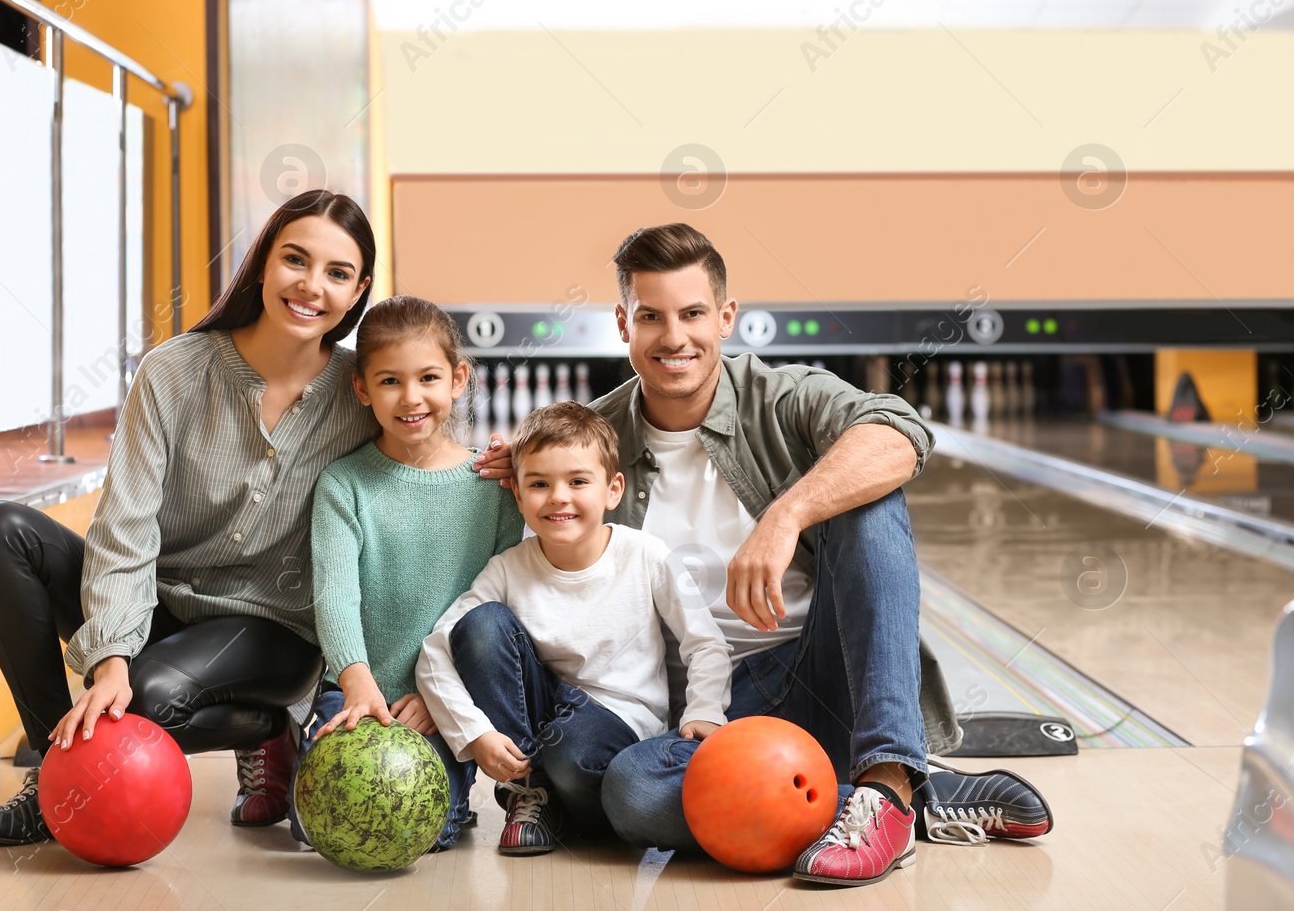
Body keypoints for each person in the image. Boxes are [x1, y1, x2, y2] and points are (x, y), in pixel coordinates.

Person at [473, 224, 1052, 886]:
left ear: (725, 316)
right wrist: (520, 475)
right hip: (690, 714)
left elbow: (901, 431)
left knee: (867, 495)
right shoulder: (590, 439)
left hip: (816, 681)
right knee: (633, 793)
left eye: (692, 313)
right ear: (622, 324)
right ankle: (886, 802)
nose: (674, 337)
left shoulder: (784, 398)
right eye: (651, 317)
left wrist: (788, 513)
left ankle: (887, 777)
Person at [0, 190, 380, 845]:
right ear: (263, 263)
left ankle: (271, 726)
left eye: (336, 272)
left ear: (358, 291)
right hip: (163, 605)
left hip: (273, 627)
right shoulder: (174, 372)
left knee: (149, 700)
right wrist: (111, 658)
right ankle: (53, 776)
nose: (310, 285)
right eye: (294, 259)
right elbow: (124, 527)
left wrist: (504, 463)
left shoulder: (361, 393)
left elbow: (427, 444)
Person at [417, 401, 732, 856]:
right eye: (539, 484)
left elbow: (704, 642)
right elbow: (436, 649)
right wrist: (473, 733)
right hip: (546, 721)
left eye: (578, 481)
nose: (558, 497)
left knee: (571, 750)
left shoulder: (646, 555)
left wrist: (704, 709)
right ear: (519, 496)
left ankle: (568, 807)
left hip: (620, 725)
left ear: (613, 489)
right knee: (481, 626)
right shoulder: (507, 568)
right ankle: (533, 794)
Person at [291, 295, 526, 852]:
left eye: (428, 377)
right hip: (357, 688)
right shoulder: (343, 485)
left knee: (423, 831)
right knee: (319, 826)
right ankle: (286, 744)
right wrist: (359, 687)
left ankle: (457, 793)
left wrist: (439, 696)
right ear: (362, 389)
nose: (411, 397)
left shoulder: (492, 488)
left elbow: (499, 613)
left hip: (449, 697)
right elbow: (336, 598)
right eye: (390, 381)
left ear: (458, 379)